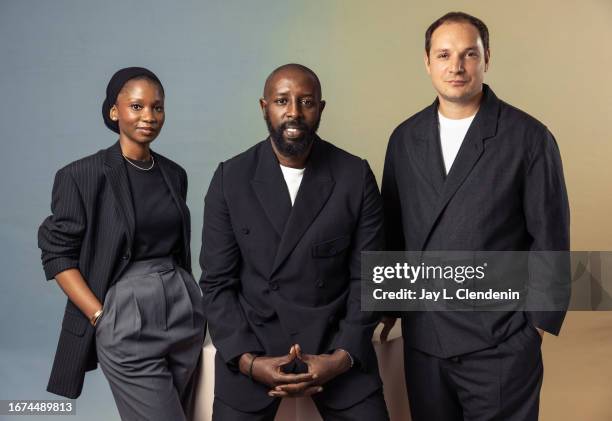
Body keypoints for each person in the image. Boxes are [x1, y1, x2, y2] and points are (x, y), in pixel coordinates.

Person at [380, 12, 570, 421]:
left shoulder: (529, 138)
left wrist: (532, 329)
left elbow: (551, 239)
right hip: (424, 343)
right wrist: (390, 304)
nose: (456, 66)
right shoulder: (404, 138)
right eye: (444, 54)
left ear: (487, 58)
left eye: (469, 53)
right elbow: (392, 232)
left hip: (501, 344)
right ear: (427, 62)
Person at [200, 63, 389, 420]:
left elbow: (370, 278)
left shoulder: (354, 175)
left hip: (334, 342)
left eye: (306, 102)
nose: (294, 112)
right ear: (264, 106)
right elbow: (216, 283)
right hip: (254, 345)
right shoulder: (231, 178)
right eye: (282, 101)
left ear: (321, 108)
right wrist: (248, 362)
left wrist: (343, 356)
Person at [38, 67, 205, 421]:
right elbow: (57, 254)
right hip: (125, 313)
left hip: (183, 311)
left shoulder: (174, 174)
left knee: (188, 414)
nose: (149, 116)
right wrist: (100, 315)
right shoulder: (81, 175)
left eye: (157, 108)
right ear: (115, 112)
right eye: (137, 106)